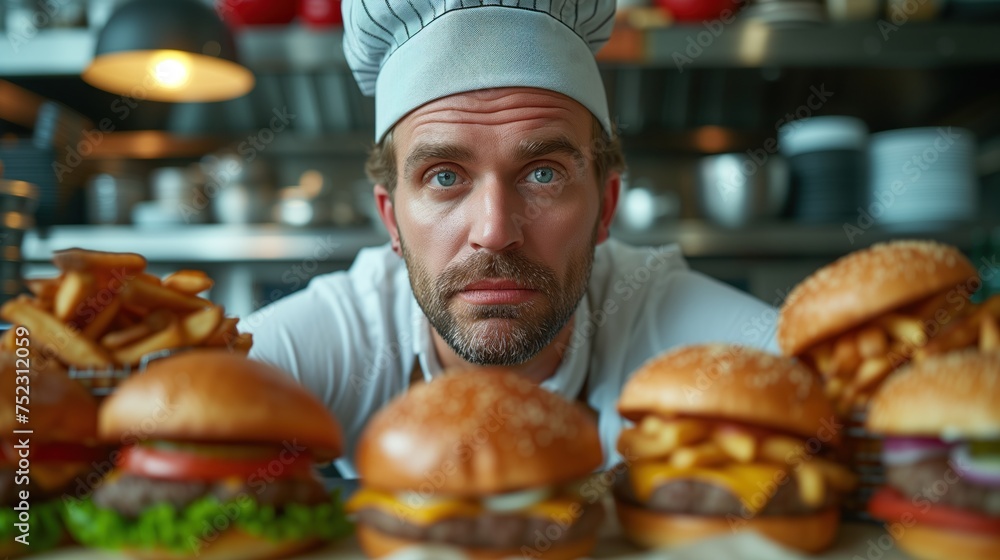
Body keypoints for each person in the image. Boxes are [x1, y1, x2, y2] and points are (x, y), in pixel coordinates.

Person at [242, 0, 778, 477]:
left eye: (543, 173)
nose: (494, 232)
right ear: (392, 222)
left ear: (605, 207)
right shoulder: (353, 329)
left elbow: (818, 386)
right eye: (445, 176)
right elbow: (179, 390)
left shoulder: (656, 309)